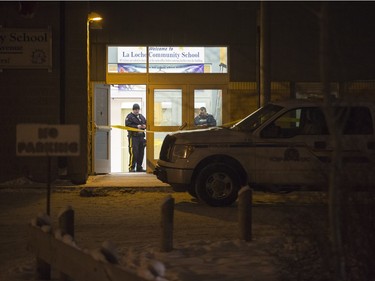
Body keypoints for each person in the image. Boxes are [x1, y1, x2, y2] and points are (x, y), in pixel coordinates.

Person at [125, 103, 147, 172]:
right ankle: (131, 167)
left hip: (141, 137)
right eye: (135, 109)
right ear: (133, 109)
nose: (137, 111)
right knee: (134, 152)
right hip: (133, 137)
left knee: (141, 152)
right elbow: (127, 126)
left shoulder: (142, 117)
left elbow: (146, 123)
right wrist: (137, 126)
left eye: (138, 109)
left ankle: (139, 167)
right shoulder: (129, 117)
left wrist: (144, 126)